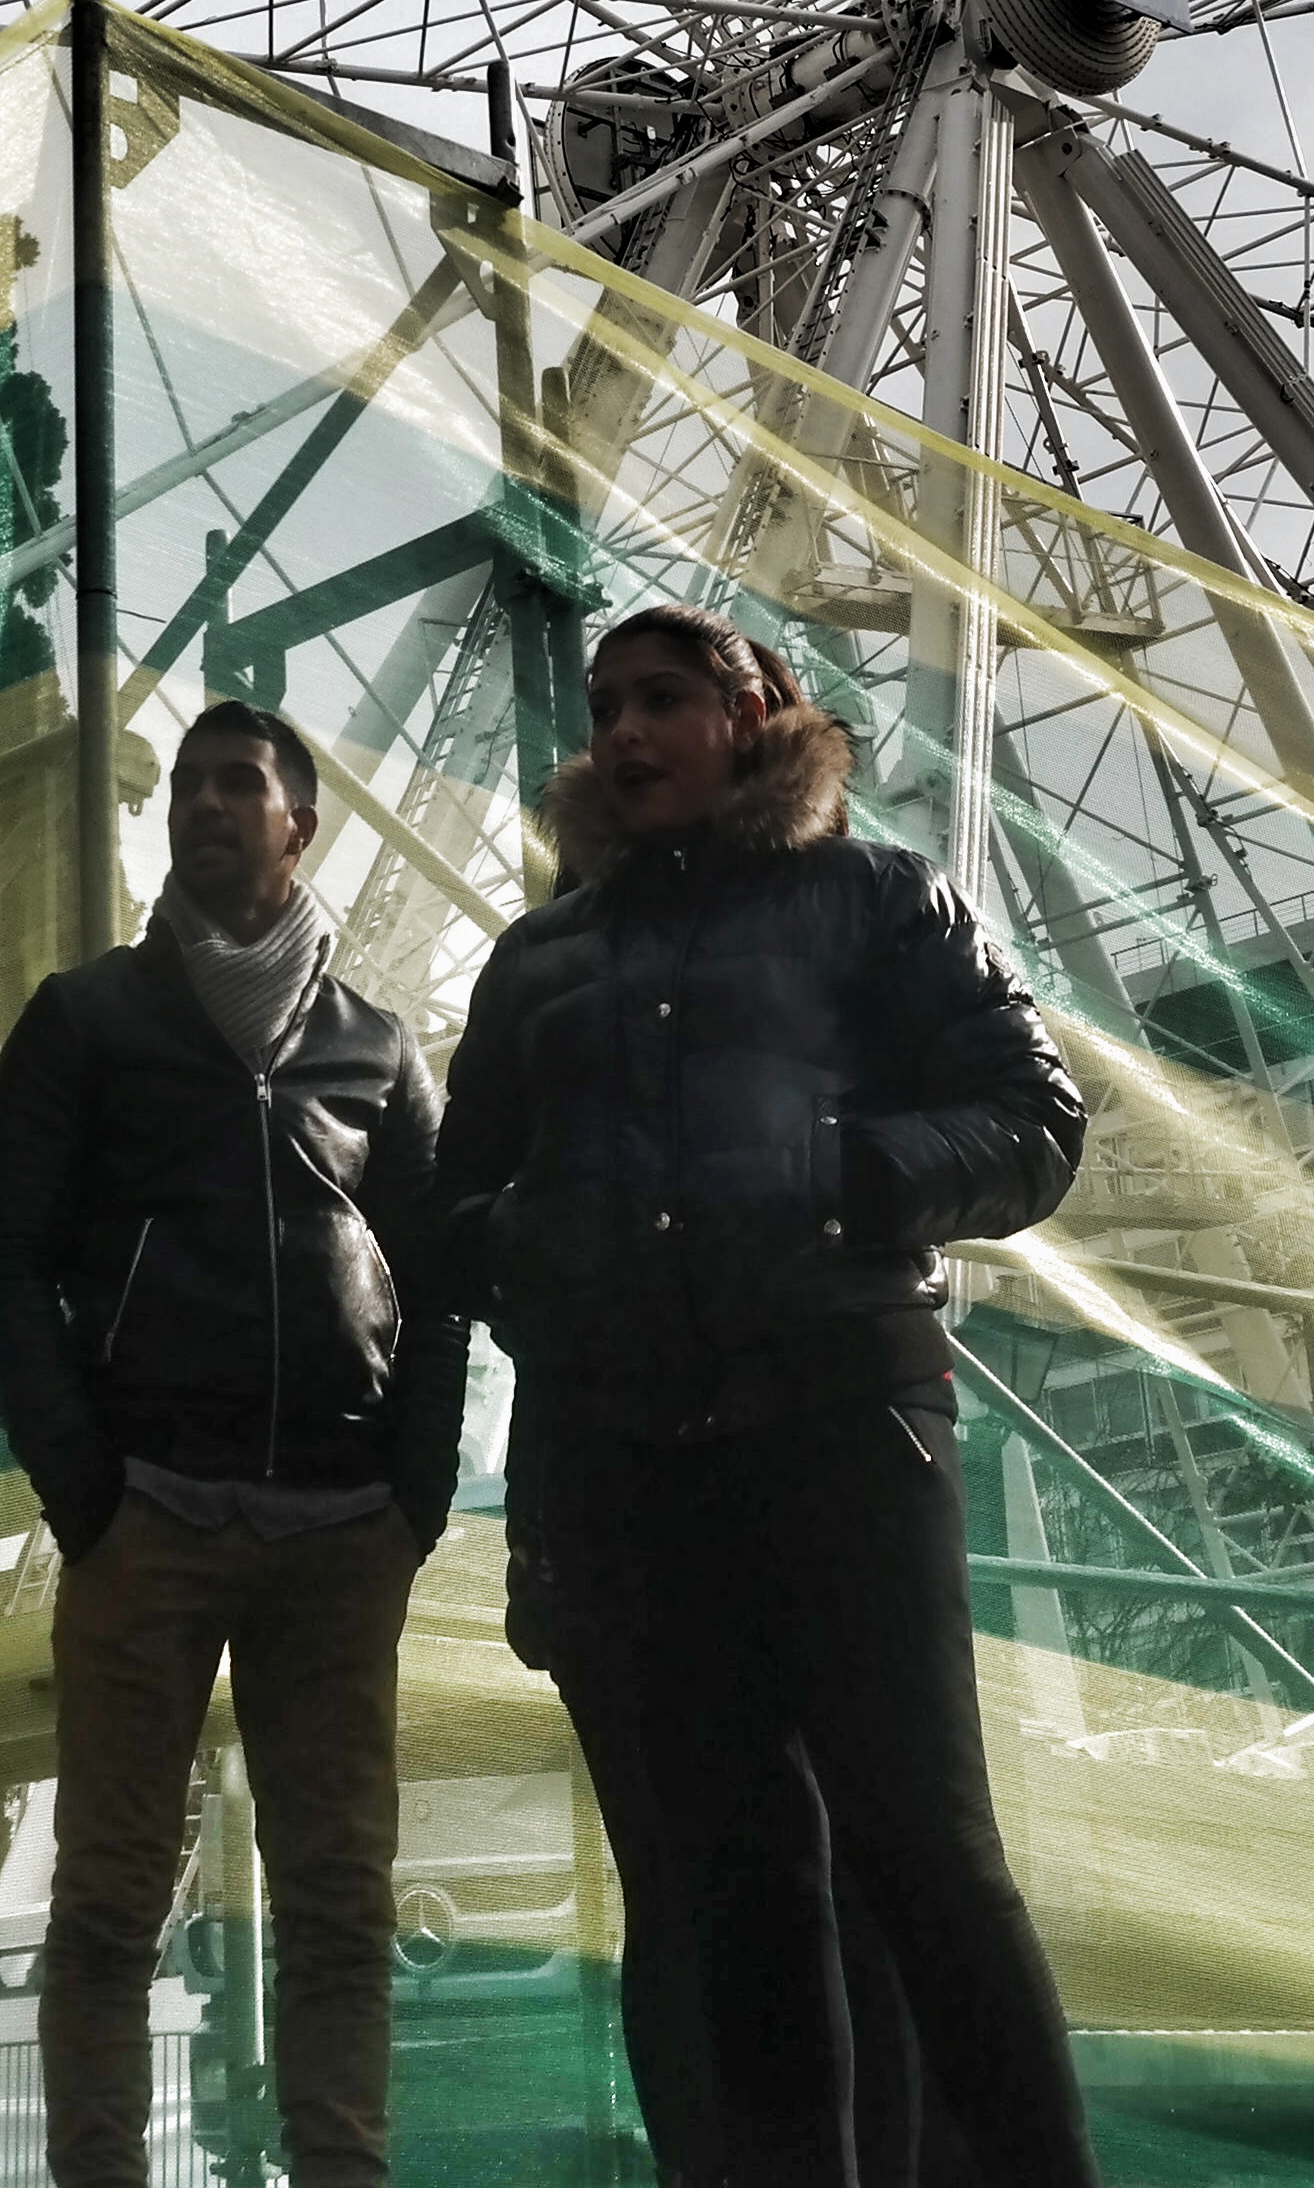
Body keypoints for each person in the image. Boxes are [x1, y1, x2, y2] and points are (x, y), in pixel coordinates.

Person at [432, 607, 1096, 2188]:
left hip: (840, 1431)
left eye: (665, 699)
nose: (629, 733)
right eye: (607, 709)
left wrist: (861, 1179)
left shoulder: (875, 902)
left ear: (754, 716)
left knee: (925, 1853)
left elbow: (1037, 1120)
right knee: (726, 1893)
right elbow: (452, 1213)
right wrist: (544, 1250)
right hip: (629, 1465)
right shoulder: (539, 961)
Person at [0, 702, 459, 2188]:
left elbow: (441, 1285)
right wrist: (85, 1487)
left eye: (240, 784)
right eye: (186, 786)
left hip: (338, 1531)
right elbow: (0, 1263)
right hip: (150, 1518)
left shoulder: (380, 1048)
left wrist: (410, 1496)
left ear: (300, 824)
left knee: (340, 1908)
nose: (204, 805)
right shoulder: (88, 1021)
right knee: (109, 1902)